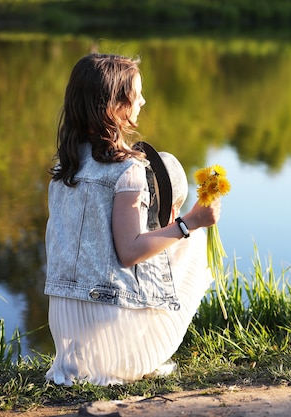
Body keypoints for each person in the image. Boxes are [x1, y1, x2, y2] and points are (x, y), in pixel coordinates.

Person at [44, 53, 221, 386]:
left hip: (65, 325)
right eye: (136, 94)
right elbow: (129, 251)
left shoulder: (63, 168)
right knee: (192, 236)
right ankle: (127, 355)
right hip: (107, 333)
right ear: (116, 105)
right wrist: (190, 221)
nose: (143, 100)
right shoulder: (127, 171)